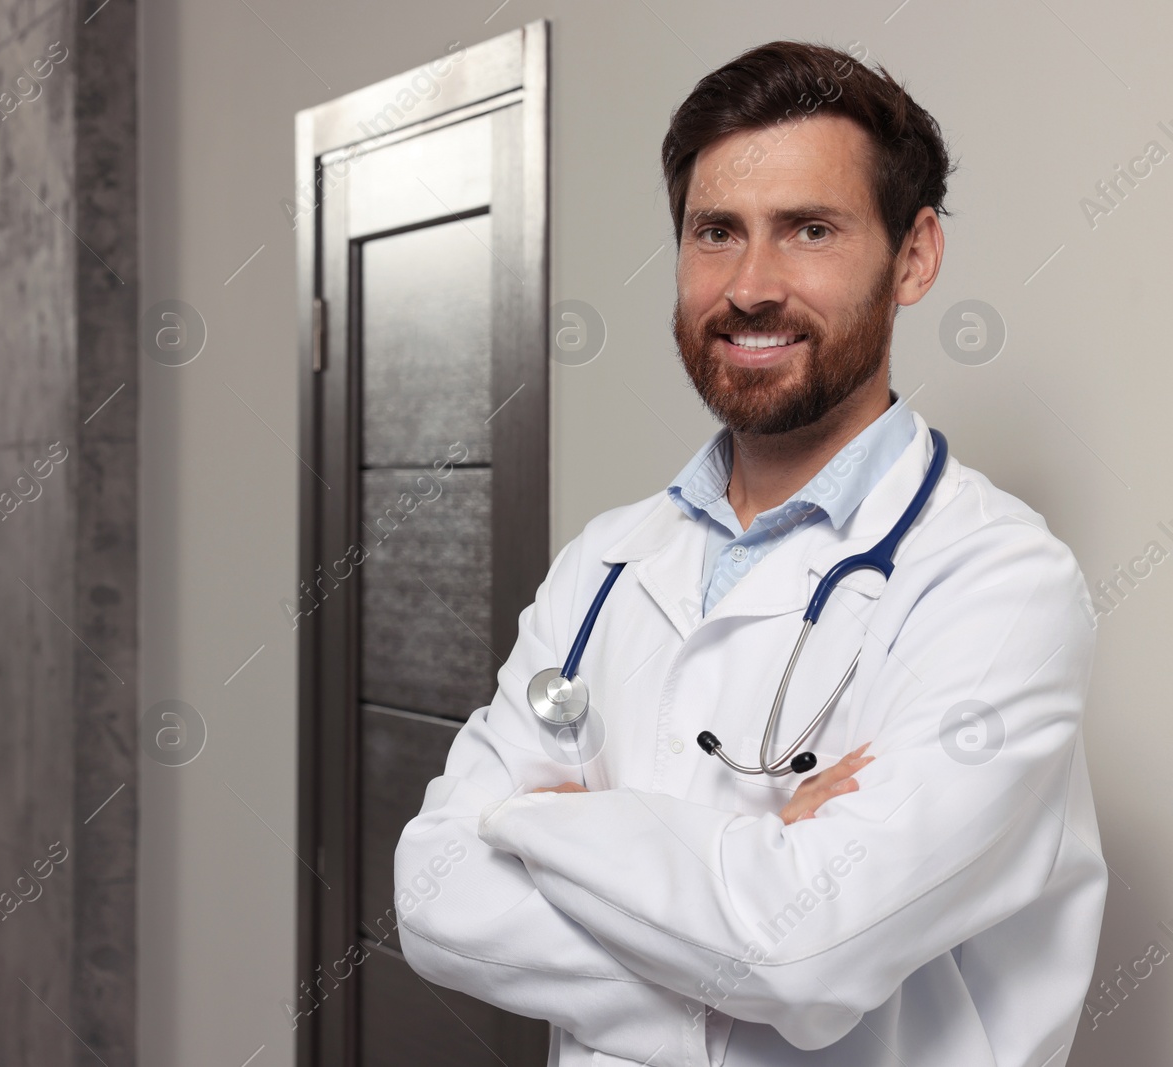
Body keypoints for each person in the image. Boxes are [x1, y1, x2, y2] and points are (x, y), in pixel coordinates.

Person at [393, 39, 1106, 1067]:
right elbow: (431, 897)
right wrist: (731, 978)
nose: (750, 285)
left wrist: (533, 821)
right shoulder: (604, 562)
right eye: (714, 232)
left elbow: (805, 950)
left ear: (914, 255)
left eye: (809, 229)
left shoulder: (1000, 583)